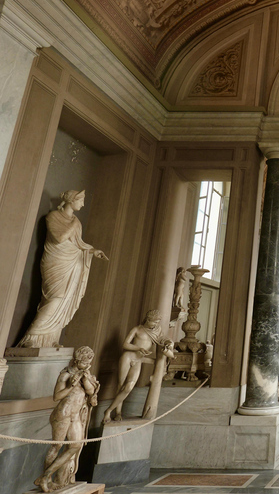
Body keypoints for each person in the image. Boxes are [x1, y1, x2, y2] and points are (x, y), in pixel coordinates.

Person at [18, 190, 108, 348]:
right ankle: (31, 337)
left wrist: (93, 251)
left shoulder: (77, 222)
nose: (83, 204)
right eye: (80, 200)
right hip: (56, 261)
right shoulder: (53, 217)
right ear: (72, 200)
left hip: (71, 263)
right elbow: (59, 238)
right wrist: (72, 223)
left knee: (64, 301)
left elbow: (78, 244)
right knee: (55, 298)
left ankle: (51, 340)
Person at [35, 346, 99, 492]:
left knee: (75, 446)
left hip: (75, 416)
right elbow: (56, 396)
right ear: (76, 361)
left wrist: (85, 377)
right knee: (56, 447)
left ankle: (45, 476)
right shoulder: (65, 375)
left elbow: (90, 392)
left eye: (89, 362)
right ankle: (47, 480)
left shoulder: (84, 375)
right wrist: (71, 386)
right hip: (63, 414)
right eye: (84, 363)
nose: (87, 365)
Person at [103, 309, 172, 423]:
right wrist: (139, 348)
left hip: (138, 360)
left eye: (158, 322)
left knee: (128, 387)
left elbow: (162, 340)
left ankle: (108, 409)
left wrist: (168, 343)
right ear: (148, 320)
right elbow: (125, 344)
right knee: (121, 385)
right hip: (128, 357)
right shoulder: (137, 329)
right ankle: (116, 412)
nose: (156, 325)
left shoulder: (156, 332)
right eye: (154, 322)